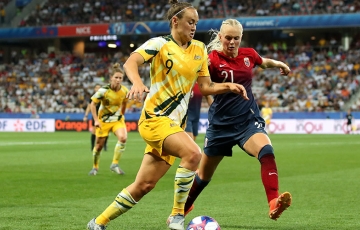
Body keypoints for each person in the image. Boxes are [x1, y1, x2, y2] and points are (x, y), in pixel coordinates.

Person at [87, 1, 247, 230]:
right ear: (175, 21)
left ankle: (97, 222)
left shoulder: (200, 49)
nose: (194, 27)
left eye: (196, 23)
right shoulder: (160, 44)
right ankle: (177, 217)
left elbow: (205, 86)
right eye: (190, 22)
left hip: (174, 126)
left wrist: (228, 87)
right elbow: (130, 62)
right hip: (154, 119)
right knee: (193, 153)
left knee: (144, 184)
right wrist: (139, 83)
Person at [184, 19, 292, 221]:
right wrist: (228, 87)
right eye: (228, 38)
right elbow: (205, 87)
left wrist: (280, 64)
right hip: (220, 125)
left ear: (241, 38)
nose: (232, 42)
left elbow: (264, 62)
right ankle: (184, 207)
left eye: (236, 38)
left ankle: (273, 201)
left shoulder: (249, 55)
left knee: (266, 151)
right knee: (203, 176)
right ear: (220, 38)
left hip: (247, 120)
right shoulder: (211, 60)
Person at [87, 63, 129, 176]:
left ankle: (114, 164)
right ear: (111, 78)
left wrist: (122, 115)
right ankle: (95, 167)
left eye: (120, 78)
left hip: (117, 120)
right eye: (116, 77)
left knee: (123, 138)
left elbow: (125, 103)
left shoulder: (124, 91)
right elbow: (92, 104)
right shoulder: (103, 91)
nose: (118, 80)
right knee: (99, 146)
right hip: (103, 121)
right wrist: (96, 120)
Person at [83, 84, 108, 152]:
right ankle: (92, 146)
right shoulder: (93, 97)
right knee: (93, 131)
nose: (97, 89)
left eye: (99, 87)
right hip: (95, 116)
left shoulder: (104, 96)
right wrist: (86, 115)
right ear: (94, 89)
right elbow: (89, 106)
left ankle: (105, 146)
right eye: (96, 88)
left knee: (105, 131)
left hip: (103, 116)